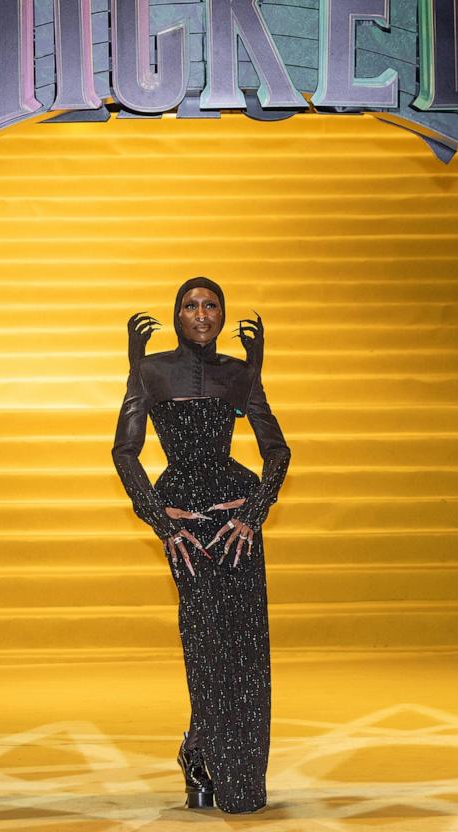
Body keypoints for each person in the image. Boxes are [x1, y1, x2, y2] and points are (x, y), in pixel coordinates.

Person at [112, 276, 291, 813]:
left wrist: (255, 513)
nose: (202, 313)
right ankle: (199, 751)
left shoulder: (240, 374)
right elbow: (124, 451)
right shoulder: (150, 369)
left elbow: (277, 451)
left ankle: (228, 775)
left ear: (221, 313)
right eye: (190, 305)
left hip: (234, 518)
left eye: (211, 305)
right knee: (206, 645)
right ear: (176, 314)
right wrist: (158, 518)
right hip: (183, 521)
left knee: (244, 650)